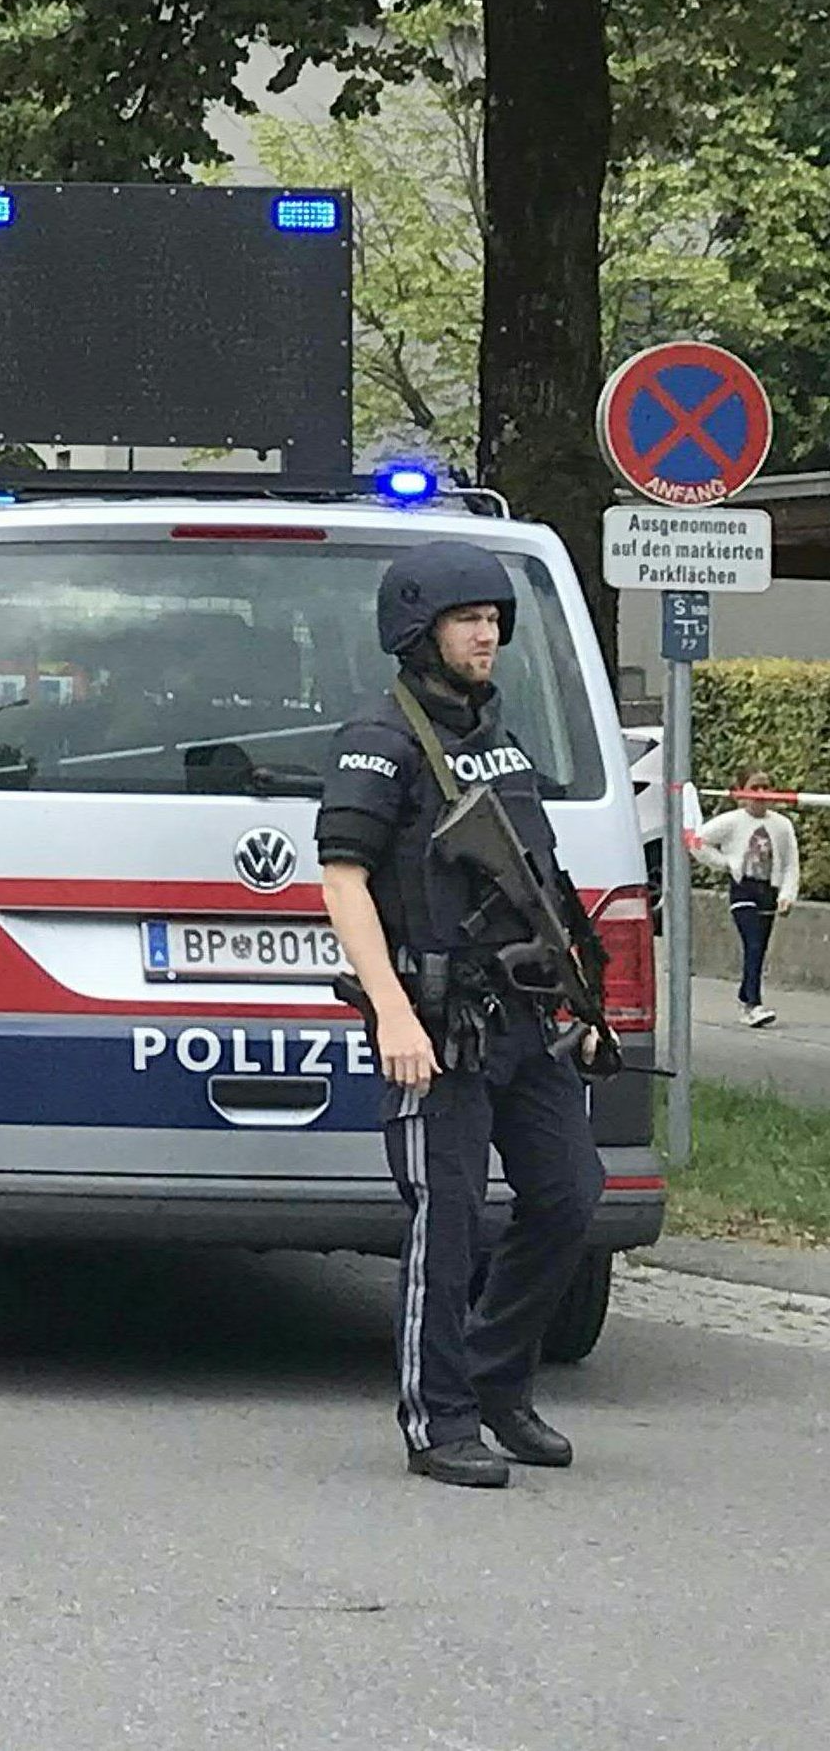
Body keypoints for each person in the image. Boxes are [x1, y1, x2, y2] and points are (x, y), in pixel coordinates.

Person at [313, 540, 603, 1491]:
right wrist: (393, 1015)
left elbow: (542, 877)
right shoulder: (381, 743)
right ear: (418, 631)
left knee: (569, 1198)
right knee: (451, 1222)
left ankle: (498, 1383)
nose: (486, 634)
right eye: (466, 620)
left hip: (525, 1014)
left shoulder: (501, 736)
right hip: (435, 1028)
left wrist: (583, 998)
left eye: (492, 619)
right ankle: (439, 1421)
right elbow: (344, 882)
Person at [696, 782, 801, 1028]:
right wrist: (725, 862)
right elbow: (698, 841)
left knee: (759, 949)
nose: (761, 796)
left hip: (768, 890)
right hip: (743, 888)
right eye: (755, 789)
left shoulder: (782, 825)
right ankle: (754, 1004)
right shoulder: (732, 821)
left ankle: (745, 997)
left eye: (766, 789)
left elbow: (790, 863)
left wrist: (787, 894)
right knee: (752, 943)